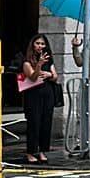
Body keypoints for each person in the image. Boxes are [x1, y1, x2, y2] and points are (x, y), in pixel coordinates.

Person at [20, 32, 58, 163]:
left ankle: (42, 151)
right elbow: (32, 77)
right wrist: (39, 65)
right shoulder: (27, 61)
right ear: (33, 45)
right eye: (37, 43)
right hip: (33, 94)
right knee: (34, 123)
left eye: (42, 44)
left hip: (48, 93)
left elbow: (55, 76)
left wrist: (49, 74)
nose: (40, 46)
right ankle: (30, 152)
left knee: (46, 122)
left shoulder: (49, 59)